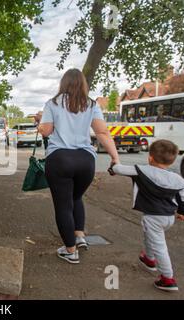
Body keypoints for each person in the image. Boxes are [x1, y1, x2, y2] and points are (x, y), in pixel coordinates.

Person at [38, 68, 119, 264]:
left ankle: (70, 250)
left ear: (63, 83)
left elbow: (46, 132)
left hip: (60, 159)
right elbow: (102, 133)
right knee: (76, 197)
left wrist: (40, 123)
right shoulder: (91, 104)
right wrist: (115, 158)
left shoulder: (53, 103)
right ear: (83, 84)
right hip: (86, 161)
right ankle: (79, 236)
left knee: (63, 206)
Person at [110, 140, 184, 292]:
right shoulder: (178, 179)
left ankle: (167, 278)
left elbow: (118, 169)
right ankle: (149, 259)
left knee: (160, 245)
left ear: (150, 158)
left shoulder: (141, 170)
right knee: (150, 236)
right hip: (168, 217)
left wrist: (114, 163)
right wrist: (183, 212)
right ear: (172, 160)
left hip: (153, 217)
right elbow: (182, 198)